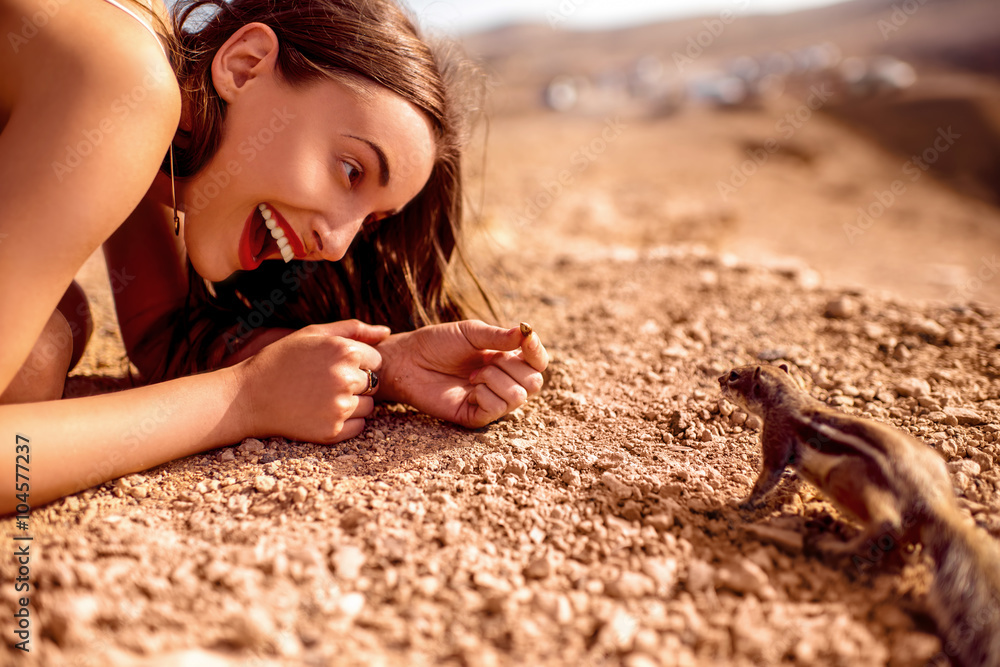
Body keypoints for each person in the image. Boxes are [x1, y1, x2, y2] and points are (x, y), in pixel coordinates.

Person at [0, 0, 548, 513]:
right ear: (245, 65)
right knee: (39, 354)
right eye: (351, 170)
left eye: (370, 222)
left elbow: (165, 337)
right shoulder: (129, 87)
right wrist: (245, 399)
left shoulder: (159, 121)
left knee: (51, 334)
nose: (334, 245)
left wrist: (387, 366)